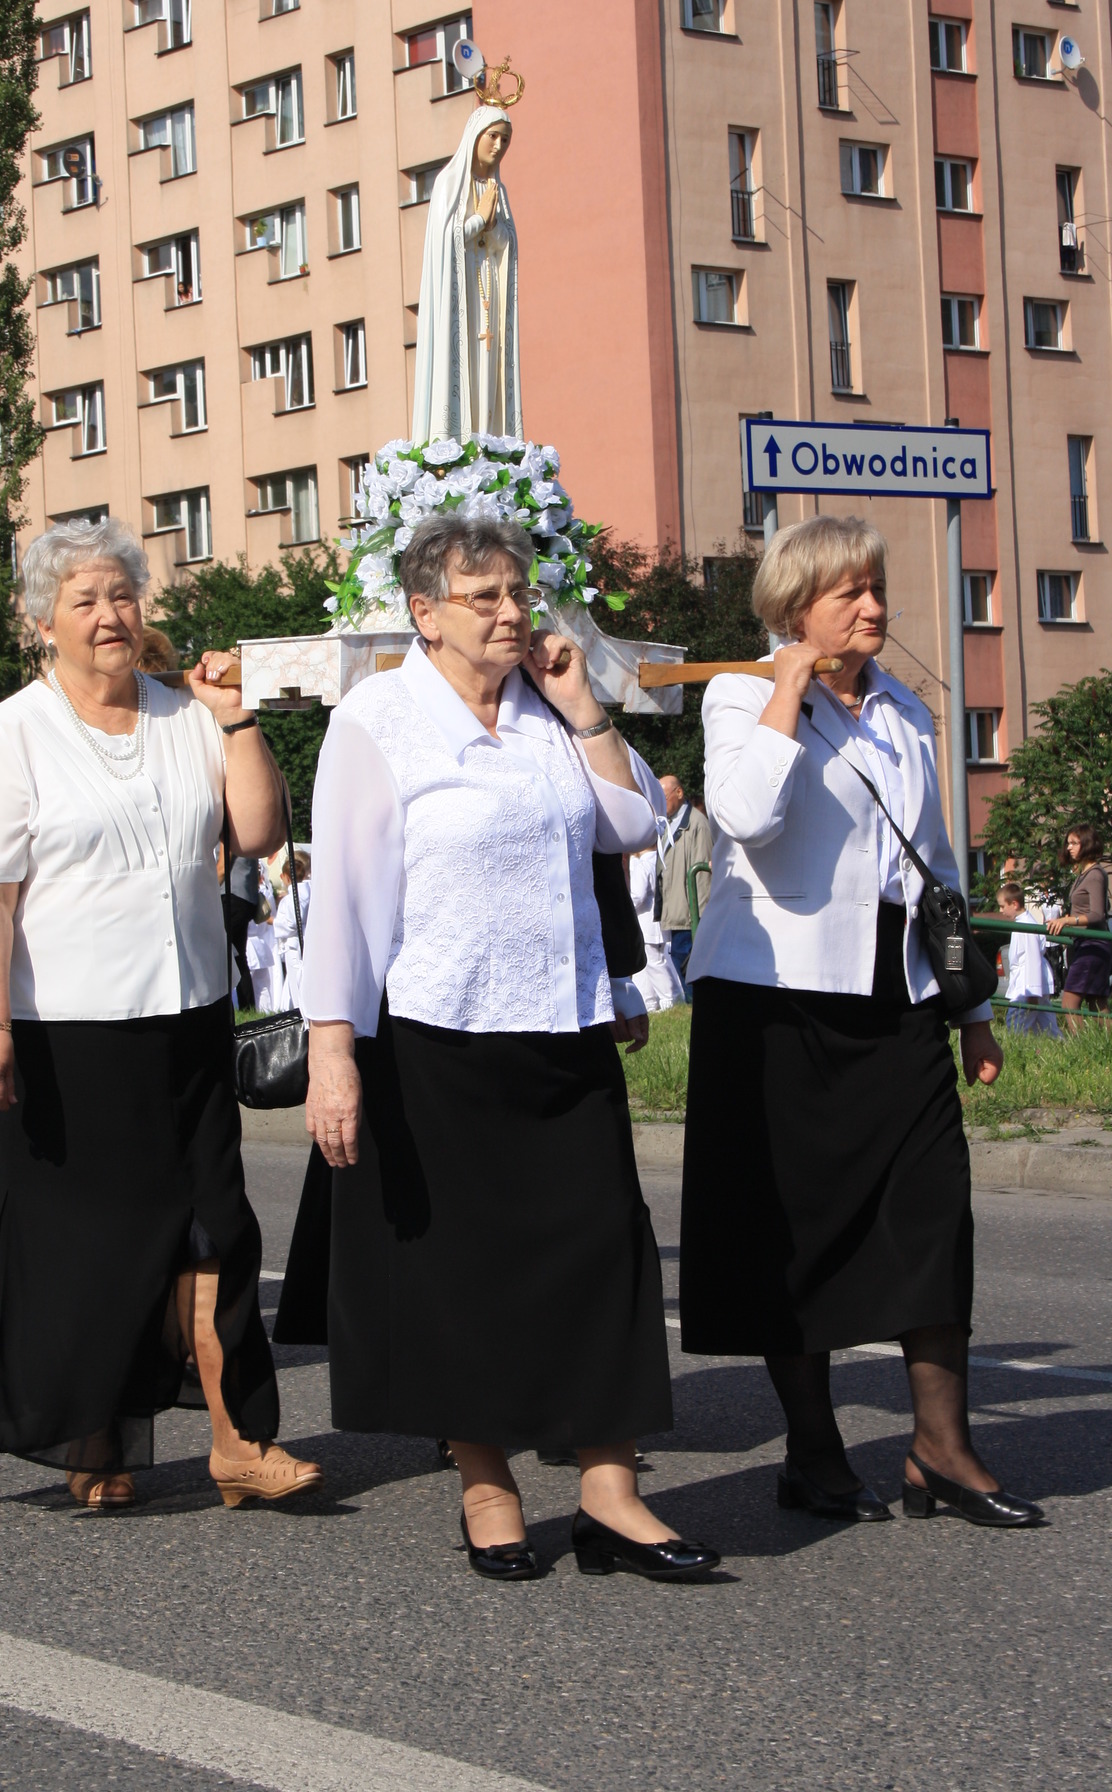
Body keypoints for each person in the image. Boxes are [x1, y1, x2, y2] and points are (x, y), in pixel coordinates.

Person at [302, 512, 720, 1584]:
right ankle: (486, 1485)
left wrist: (584, 706)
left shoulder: (545, 710)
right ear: (424, 612)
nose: (508, 612)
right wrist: (332, 1050)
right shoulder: (378, 720)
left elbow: (631, 825)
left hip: (562, 1026)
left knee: (602, 1254)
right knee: (461, 1272)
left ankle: (610, 1494)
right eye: (482, 596)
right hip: (436, 1033)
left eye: (517, 593)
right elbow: (342, 898)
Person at [0, 516, 321, 1514]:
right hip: (68, 1034)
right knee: (93, 1249)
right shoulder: (11, 733)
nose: (109, 616)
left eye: (123, 596)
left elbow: (258, 830)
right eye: (85, 599)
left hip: (187, 1021)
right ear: (41, 621)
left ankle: (238, 1440)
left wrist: (236, 719)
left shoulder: (187, 716)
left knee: (215, 1226)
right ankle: (92, 1433)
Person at [680, 515, 1042, 1529]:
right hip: (774, 1000)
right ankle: (813, 1450)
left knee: (932, 1214)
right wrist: (787, 689)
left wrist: (971, 1007)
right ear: (796, 606)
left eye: (876, 586)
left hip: (896, 996)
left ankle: (942, 1448)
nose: (874, 606)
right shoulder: (740, 694)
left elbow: (936, 867)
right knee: (790, 1232)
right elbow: (745, 816)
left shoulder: (901, 708)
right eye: (850, 592)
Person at [411, 108, 522, 443]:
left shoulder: (498, 190)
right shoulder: (449, 183)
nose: (499, 146)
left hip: (488, 287)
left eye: (505, 139)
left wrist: (494, 226)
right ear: (475, 136)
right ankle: (455, 442)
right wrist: (479, 220)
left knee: (488, 366)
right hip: (459, 293)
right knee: (463, 362)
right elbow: (444, 241)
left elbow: (505, 243)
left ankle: (488, 441)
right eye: (493, 136)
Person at [1047, 823, 1111, 1027]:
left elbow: (1097, 914)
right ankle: (1107, 1044)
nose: (1069, 847)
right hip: (1085, 943)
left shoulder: (1095, 875)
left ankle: (1080, 1044)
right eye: (1068, 843)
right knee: (1097, 1004)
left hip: (1094, 945)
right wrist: (1068, 918)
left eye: (1074, 843)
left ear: (1087, 844)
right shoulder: (1083, 874)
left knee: (1069, 1003)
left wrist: (1068, 920)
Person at [656, 774, 710, 1000]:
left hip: (690, 914)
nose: (660, 804)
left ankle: (694, 1004)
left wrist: (700, 916)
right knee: (678, 958)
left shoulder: (696, 824)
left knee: (688, 962)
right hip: (675, 910)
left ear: (679, 793)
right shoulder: (669, 825)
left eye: (663, 797)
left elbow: (702, 874)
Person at [997, 882, 1060, 1037]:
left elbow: (1033, 959)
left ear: (1014, 904)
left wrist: (1032, 991)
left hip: (1027, 986)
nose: (1000, 911)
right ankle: (1060, 1043)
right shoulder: (1023, 923)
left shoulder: (1026, 925)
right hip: (1028, 983)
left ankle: (1017, 1048)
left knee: (1015, 1023)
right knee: (1047, 1025)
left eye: (1003, 906)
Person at [627, 842, 683, 1013]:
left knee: (655, 963)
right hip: (656, 921)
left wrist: (624, 908)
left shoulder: (643, 865)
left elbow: (637, 896)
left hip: (647, 922)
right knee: (645, 966)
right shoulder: (660, 861)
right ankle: (648, 1002)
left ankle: (670, 998)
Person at [274, 851, 310, 1012]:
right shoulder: (309, 891)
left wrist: (276, 924)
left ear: (287, 877)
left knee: (297, 983)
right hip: (305, 940)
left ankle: (299, 1012)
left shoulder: (292, 898)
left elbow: (292, 922)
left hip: (294, 944)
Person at [226, 855, 262, 1011]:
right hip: (246, 897)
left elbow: (223, 867)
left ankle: (228, 1006)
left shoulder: (234, 842)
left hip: (232, 894)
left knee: (223, 952)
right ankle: (247, 1006)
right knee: (239, 956)